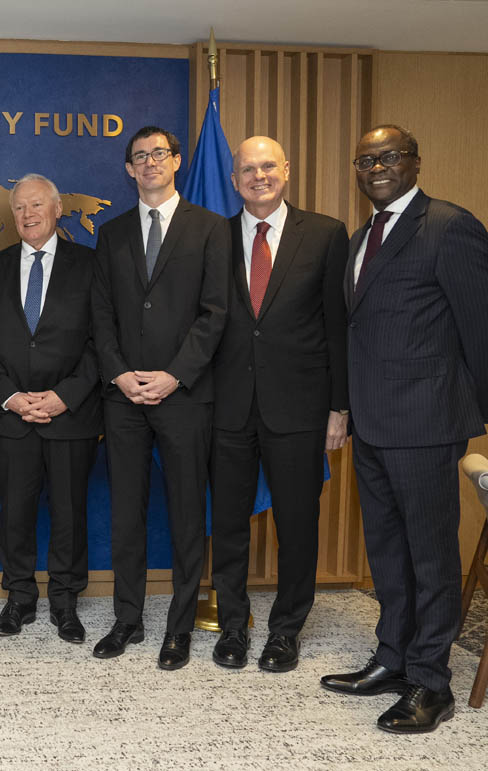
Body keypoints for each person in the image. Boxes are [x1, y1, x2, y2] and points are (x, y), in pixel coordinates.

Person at [321, 125, 488, 734]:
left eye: (388, 157)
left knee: (431, 556)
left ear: (416, 162)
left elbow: (480, 329)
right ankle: (392, 658)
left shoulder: (449, 226)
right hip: (371, 423)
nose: (376, 168)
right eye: (365, 160)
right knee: (387, 552)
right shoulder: (363, 236)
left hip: (426, 422)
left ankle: (431, 682)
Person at [209, 136, 350, 672]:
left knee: (297, 524)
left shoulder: (326, 233)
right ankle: (233, 627)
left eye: (268, 166)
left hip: (300, 408)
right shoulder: (214, 237)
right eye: (248, 169)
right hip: (228, 407)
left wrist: (340, 407)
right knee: (227, 523)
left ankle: (286, 631)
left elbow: (338, 327)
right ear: (234, 180)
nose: (258, 176)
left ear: (286, 170)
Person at [90, 126, 229, 670]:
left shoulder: (211, 228)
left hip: (184, 394)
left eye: (159, 155)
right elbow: (101, 314)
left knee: (186, 514)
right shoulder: (112, 232)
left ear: (176, 162)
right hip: (123, 397)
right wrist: (120, 375)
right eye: (139, 157)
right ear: (129, 169)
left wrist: (174, 375)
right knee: (126, 513)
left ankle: (179, 627)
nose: (149, 163)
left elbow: (216, 314)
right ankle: (127, 619)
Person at [0, 174, 102, 643]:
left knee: (70, 514)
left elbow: (101, 343)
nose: (28, 215)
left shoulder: (91, 265)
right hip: (12, 415)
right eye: (20, 208)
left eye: (37, 206)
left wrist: (65, 395)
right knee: (15, 512)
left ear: (56, 211)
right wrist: (10, 396)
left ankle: (66, 603)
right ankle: (20, 599)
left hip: (71, 414)